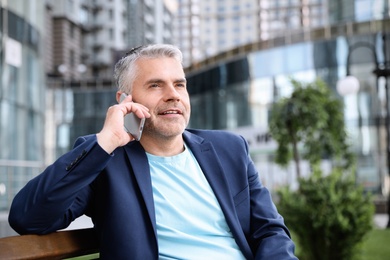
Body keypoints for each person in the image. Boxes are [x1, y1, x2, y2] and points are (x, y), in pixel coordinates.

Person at [9, 44, 297, 259]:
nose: (173, 94)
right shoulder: (104, 159)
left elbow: (270, 231)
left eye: (179, 84)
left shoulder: (230, 148)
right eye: (156, 85)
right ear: (126, 101)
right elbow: (28, 218)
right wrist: (104, 143)